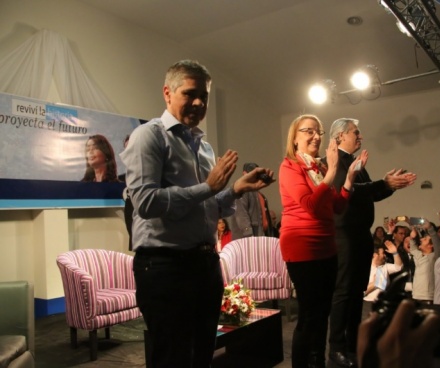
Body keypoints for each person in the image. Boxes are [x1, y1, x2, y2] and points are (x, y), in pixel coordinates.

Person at [120, 59, 274, 368]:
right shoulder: (149, 136)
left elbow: (208, 206)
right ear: (167, 93)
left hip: (204, 264)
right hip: (165, 267)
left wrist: (236, 190)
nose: (199, 102)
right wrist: (208, 186)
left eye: (203, 95)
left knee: (202, 355)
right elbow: (145, 202)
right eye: (190, 94)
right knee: (174, 358)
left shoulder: (203, 147)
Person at [325, 117, 417, 368]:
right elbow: (349, 191)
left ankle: (354, 342)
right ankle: (336, 348)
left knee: (355, 292)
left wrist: (390, 186)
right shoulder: (332, 162)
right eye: (356, 132)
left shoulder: (356, 163)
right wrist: (383, 183)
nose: (360, 136)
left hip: (359, 235)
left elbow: (369, 192)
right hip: (343, 236)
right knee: (343, 292)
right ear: (340, 136)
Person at [278, 114, 365, 368]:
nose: (316, 136)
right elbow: (311, 205)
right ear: (295, 139)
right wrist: (333, 172)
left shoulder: (320, 167)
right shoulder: (290, 166)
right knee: (309, 315)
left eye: (319, 132)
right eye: (309, 131)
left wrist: (347, 179)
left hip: (327, 246)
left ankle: (317, 363)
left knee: (323, 313)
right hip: (302, 247)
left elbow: (336, 206)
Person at [227, 162, 275, 239]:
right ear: (244, 173)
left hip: (260, 236)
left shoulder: (260, 195)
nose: (253, 175)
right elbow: (241, 214)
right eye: (251, 173)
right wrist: (249, 235)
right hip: (247, 239)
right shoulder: (242, 190)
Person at [408, 220, 440, 304]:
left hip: (428, 297)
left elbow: (438, 245)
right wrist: (412, 237)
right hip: (416, 295)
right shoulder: (419, 255)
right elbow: (412, 249)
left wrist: (430, 228)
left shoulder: (435, 257)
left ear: (431, 245)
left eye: (425, 239)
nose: (422, 239)